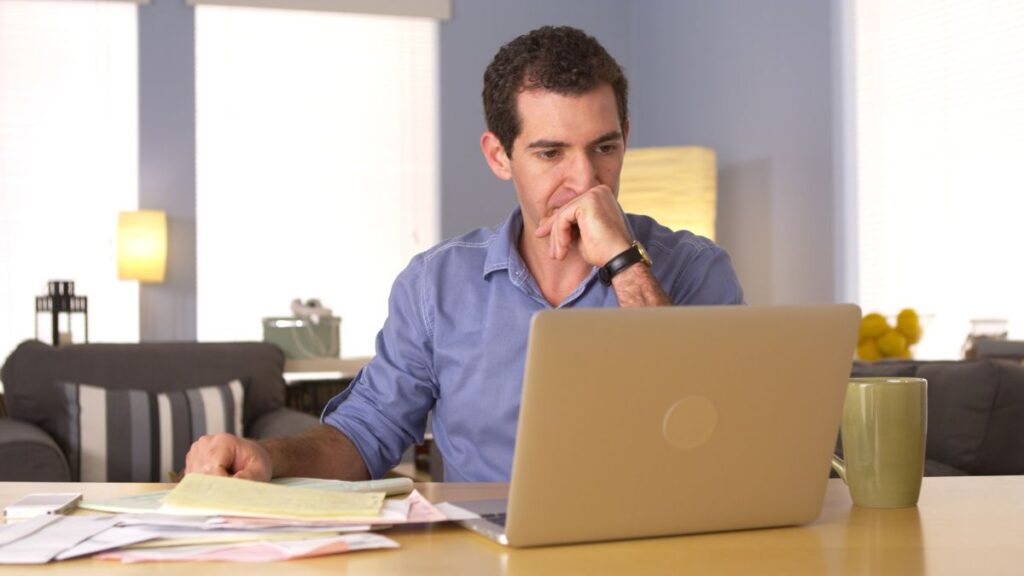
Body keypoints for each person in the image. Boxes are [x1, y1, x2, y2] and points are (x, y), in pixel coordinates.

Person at [185, 25, 743, 483]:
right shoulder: (435, 285)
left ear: (625, 136)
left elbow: (710, 427)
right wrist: (270, 457)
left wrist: (623, 261)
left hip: (652, 548)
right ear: (499, 156)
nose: (586, 180)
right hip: (487, 555)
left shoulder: (693, 269)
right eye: (551, 153)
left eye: (605, 147)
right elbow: (366, 431)